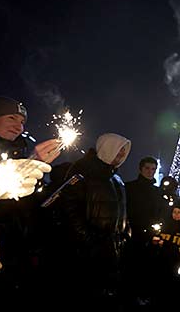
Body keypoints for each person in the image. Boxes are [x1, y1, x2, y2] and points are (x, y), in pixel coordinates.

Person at [0, 96, 61, 304]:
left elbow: (31, 203)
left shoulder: (21, 153)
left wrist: (35, 163)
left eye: (22, 122)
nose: (19, 126)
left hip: (15, 253)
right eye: (11, 118)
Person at [45, 132, 131, 308]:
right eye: (118, 150)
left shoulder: (116, 178)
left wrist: (125, 232)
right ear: (107, 148)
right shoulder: (83, 170)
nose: (121, 155)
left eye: (124, 151)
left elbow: (122, 211)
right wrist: (88, 240)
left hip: (112, 248)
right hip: (87, 251)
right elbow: (70, 209)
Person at [124, 155, 165, 307]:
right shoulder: (130, 188)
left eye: (153, 169)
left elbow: (160, 212)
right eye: (147, 168)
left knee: (148, 267)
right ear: (140, 169)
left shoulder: (157, 191)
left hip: (151, 235)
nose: (150, 172)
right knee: (135, 267)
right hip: (134, 234)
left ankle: (143, 294)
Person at [149, 197, 180, 310]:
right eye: (174, 212)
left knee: (177, 292)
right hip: (164, 262)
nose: (176, 215)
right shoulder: (167, 225)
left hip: (179, 262)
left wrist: (167, 244)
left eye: (179, 212)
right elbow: (160, 237)